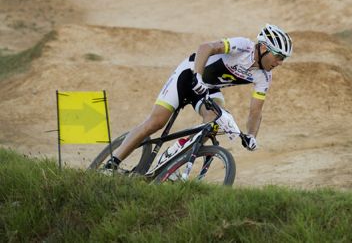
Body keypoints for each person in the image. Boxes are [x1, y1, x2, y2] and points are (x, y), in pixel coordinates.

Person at [103, 24, 293, 171]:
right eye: (278, 56)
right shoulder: (243, 46)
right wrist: (197, 76)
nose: (280, 62)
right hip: (188, 76)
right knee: (156, 123)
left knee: (215, 119)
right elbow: (206, 47)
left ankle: (175, 158)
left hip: (208, 89)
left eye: (283, 59)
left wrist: (251, 135)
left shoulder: (264, 76)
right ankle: (111, 163)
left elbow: (255, 110)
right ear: (263, 48)